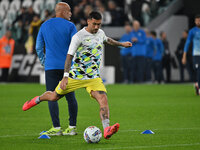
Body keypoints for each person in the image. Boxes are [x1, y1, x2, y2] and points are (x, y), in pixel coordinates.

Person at [22, 11, 132, 139]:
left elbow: (107, 40)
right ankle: (37, 99)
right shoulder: (78, 36)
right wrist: (65, 76)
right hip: (76, 76)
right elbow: (69, 57)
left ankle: (106, 129)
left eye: (99, 24)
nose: (97, 27)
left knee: (103, 99)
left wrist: (121, 44)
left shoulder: (100, 33)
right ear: (88, 21)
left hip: (93, 78)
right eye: (95, 24)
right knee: (53, 97)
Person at [33, 2, 78, 136]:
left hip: (51, 66)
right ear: (63, 12)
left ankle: (56, 128)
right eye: (69, 11)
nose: (71, 13)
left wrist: (44, 61)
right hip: (67, 67)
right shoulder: (70, 26)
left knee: (51, 96)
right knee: (71, 97)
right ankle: (72, 127)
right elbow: (76, 45)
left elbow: (38, 47)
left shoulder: (44, 25)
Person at [182, 14, 200, 95]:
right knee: (198, 71)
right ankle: (198, 86)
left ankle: (197, 85)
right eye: (197, 21)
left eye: (199, 20)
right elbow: (187, 43)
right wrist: (184, 56)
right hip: (196, 54)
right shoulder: (192, 31)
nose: (198, 22)